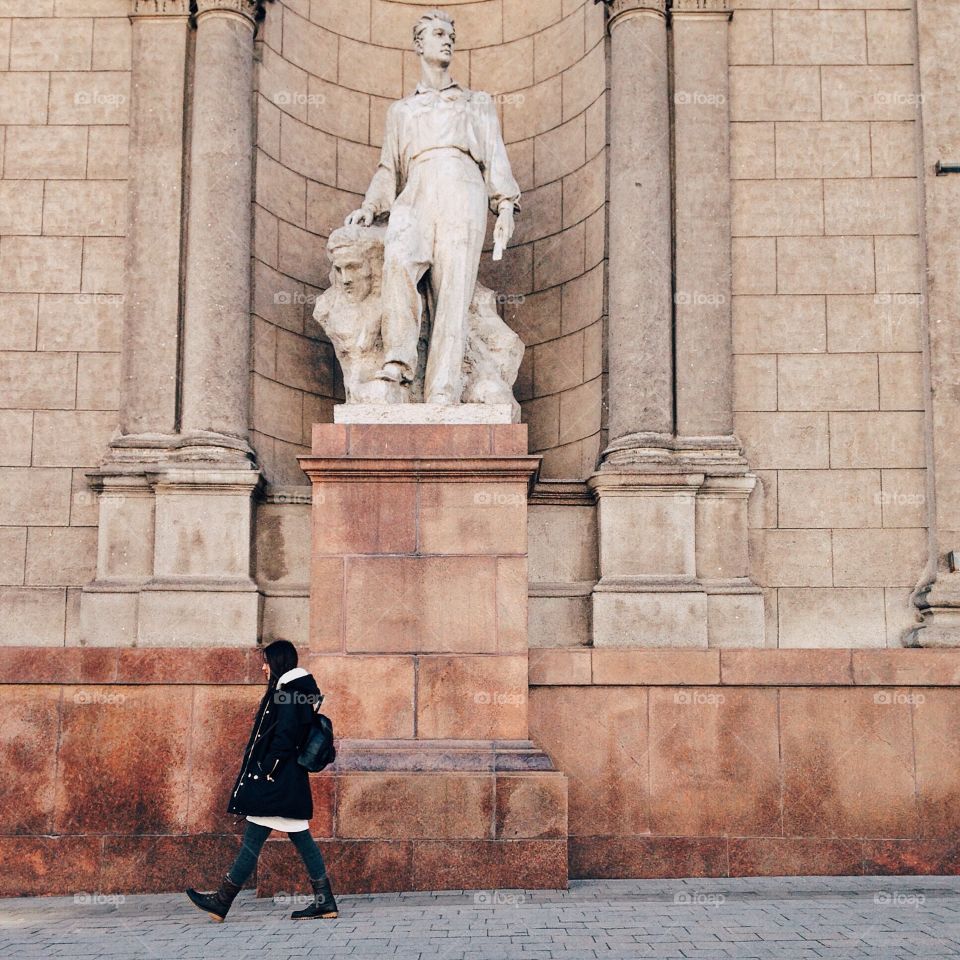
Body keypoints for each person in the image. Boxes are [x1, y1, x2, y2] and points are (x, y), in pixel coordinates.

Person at [345, 8, 521, 405]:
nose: (447, 41)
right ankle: (399, 363)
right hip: (417, 188)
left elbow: (494, 155)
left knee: (453, 288)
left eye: (451, 36)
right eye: (438, 34)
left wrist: (505, 203)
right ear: (419, 44)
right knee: (400, 261)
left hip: (463, 184)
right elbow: (388, 169)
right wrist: (371, 207)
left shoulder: (476, 102)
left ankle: (443, 388)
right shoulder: (402, 111)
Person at [185, 639, 338, 922]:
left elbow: (286, 735)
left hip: (277, 781)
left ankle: (222, 901)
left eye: (266, 661)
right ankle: (324, 900)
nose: (263, 667)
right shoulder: (292, 691)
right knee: (294, 839)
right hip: (283, 781)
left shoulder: (290, 692)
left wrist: (269, 768)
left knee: (258, 842)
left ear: (278, 662)